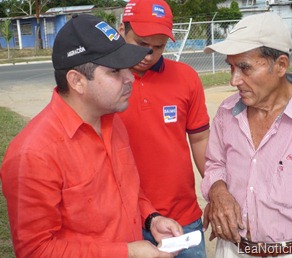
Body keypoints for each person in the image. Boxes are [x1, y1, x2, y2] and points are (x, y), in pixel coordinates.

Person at [0, 14, 184, 258]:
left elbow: (125, 189)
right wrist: (127, 253)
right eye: (115, 71)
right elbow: (36, 250)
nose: (130, 77)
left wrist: (150, 218)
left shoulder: (112, 121)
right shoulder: (34, 154)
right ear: (77, 81)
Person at [201, 12, 292, 258]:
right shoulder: (226, 112)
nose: (234, 80)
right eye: (231, 67)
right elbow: (215, 163)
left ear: (280, 65)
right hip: (231, 251)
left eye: (244, 68)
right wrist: (217, 189)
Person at [117, 0, 210, 257]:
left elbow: (200, 138)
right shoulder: (105, 82)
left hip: (182, 219)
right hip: (126, 221)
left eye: (158, 47)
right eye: (141, 43)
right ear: (121, 30)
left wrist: (214, 189)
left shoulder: (186, 77)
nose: (149, 54)